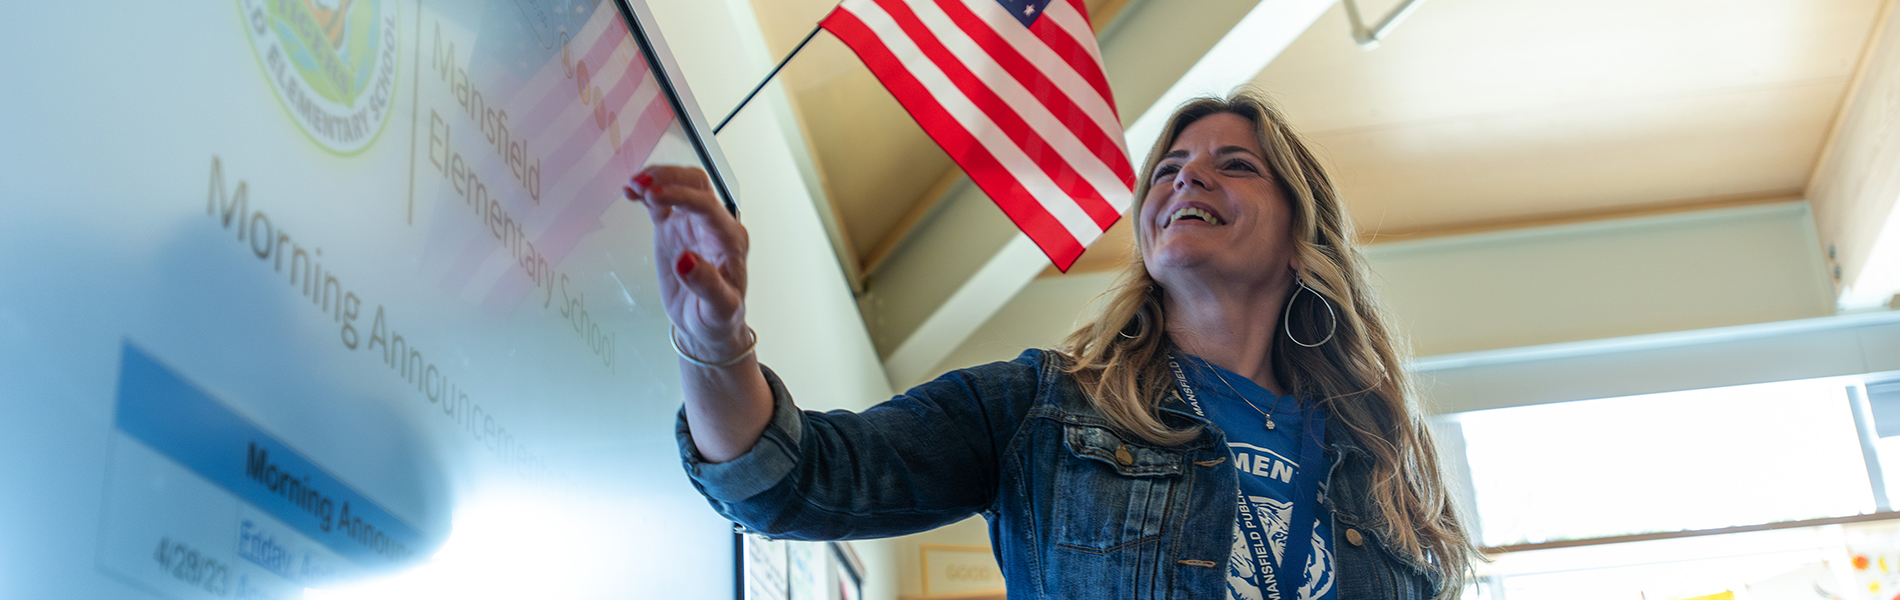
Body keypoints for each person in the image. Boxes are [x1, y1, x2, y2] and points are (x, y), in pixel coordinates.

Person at [627, 91, 1478, 600]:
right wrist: (715, 341)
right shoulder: (1038, 409)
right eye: (1171, 167)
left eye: (1235, 165)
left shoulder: (1379, 473)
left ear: (1300, 236)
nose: (1186, 177)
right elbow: (789, 484)